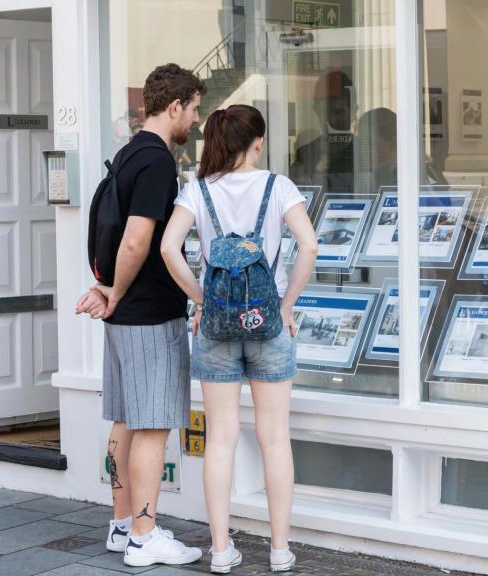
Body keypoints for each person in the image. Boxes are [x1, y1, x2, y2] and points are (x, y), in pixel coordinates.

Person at [161, 104, 318, 573]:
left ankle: (221, 551)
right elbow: (308, 244)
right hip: (268, 325)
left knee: (221, 440)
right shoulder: (277, 186)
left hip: (215, 329)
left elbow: (169, 248)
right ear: (259, 142)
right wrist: (286, 305)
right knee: (274, 438)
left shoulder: (196, 190)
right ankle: (279, 550)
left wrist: (201, 298)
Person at [75, 63, 205, 568]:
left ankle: (122, 524)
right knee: (152, 425)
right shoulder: (155, 162)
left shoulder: (129, 153)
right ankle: (145, 538)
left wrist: (111, 294)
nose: (195, 119)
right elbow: (136, 238)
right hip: (148, 312)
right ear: (173, 107)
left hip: (126, 315)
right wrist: (115, 290)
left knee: (127, 418)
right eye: (193, 109)